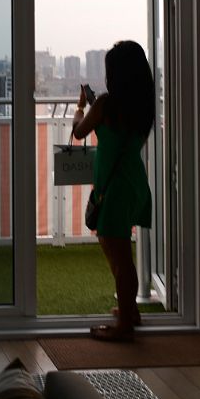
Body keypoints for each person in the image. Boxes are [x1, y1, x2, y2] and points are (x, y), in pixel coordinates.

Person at [70, 40, 155, 341]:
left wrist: (81, 107)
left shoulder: (105, 105)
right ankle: (129, 312)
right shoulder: (143, 108)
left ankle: (126, 327)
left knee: (119, 256)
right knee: (118, 249)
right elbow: (124, 140)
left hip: (115, 188)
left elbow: (78, 132)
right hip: (134, 182)